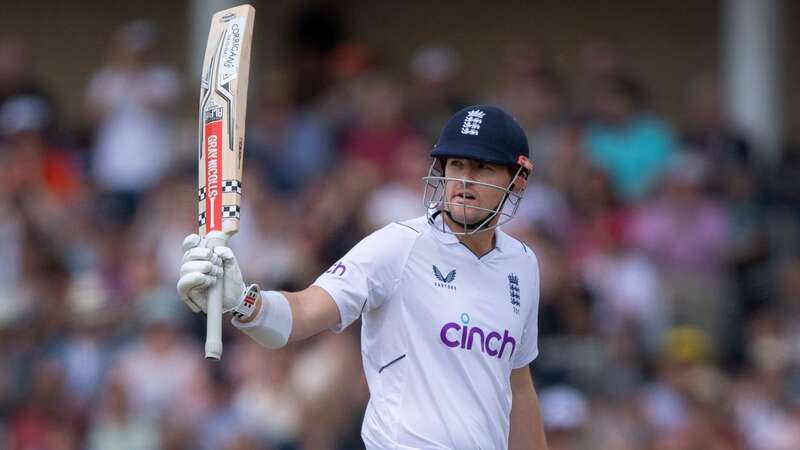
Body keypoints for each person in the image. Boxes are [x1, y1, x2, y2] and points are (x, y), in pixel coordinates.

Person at [178, 105, 548, 449]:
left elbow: (518, 385)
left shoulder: (523, 266)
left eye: (482, 168)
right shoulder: (399, 245)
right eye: (456, 165)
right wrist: (243, 301)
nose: (464, 180)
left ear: (516, 181)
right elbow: (304, 313)